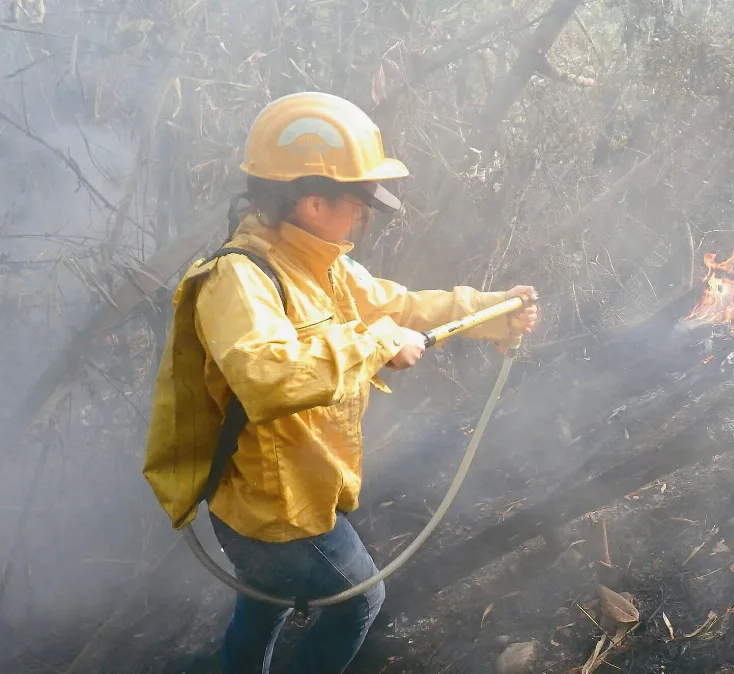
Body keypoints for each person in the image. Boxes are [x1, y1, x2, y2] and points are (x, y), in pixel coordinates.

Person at [141, 91, 540, 674]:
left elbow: (399, 306)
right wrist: (376, 344)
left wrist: (494, 310)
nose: (363, 218)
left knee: (264, 605)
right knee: (359, 601)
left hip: (290, 496)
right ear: (312, 201)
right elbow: (267, 374)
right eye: (358, 203)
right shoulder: (239, 279)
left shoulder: (319, 265)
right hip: (275, 512)